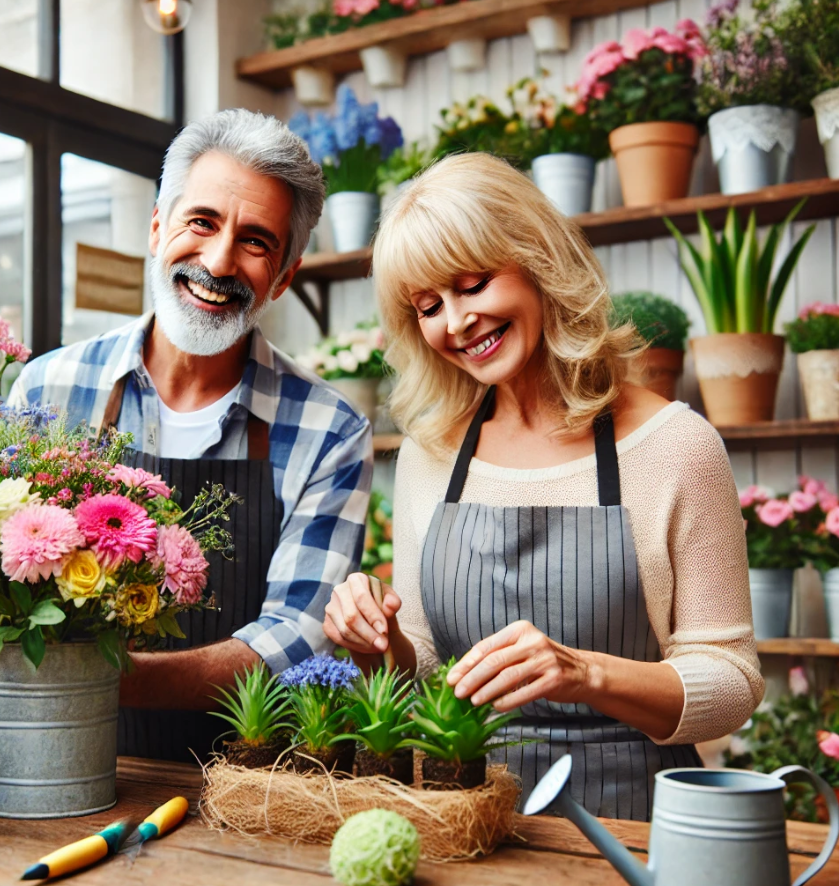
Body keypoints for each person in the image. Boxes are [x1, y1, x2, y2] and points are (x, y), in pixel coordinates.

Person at [323, 153, 763, 821]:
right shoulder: (431, 453)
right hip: (461, 821)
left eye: (472, 284)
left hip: (631, 828)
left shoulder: (676, 445)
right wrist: (378, 643)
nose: (456, 322)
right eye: (428, 306)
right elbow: (418, 671)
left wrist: (586, 675)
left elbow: (731, 681)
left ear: (539, 259)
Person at [0, 109, 373, 761]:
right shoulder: (46, 392)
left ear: (285, 275)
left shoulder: (329, 430)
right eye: (202, 222)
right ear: (158, 227)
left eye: (256, 242)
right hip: (53, 760)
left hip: (248, 789)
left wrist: (92, 676)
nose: (219, 260)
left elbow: (298, 637)